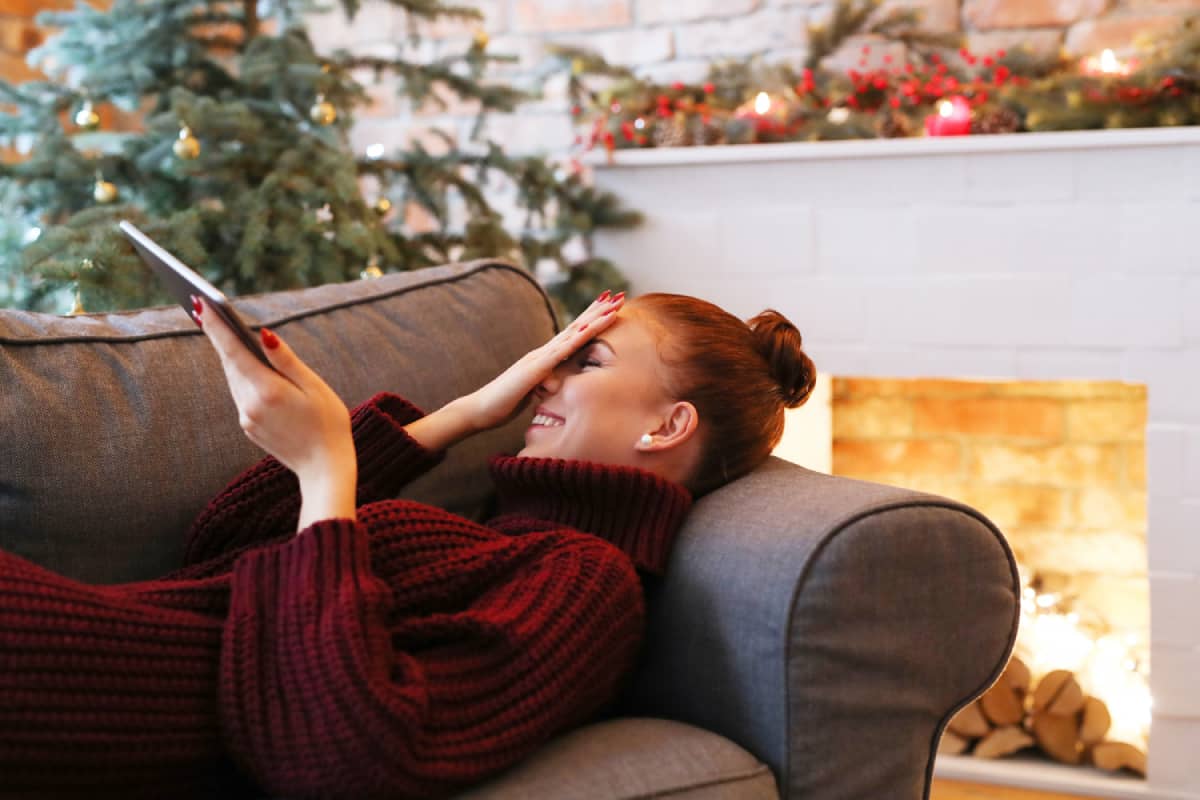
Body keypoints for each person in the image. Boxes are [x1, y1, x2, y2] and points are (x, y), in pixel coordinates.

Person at [0, 288, 815, 799]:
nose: (544, 378)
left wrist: (327, 469)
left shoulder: (587, 585)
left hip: (71, 684)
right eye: (553, 357)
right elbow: (222, 552)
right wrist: (459, 415)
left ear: (668, 425)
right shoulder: (499, 531)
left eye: (584, 360)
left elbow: (338, 760)